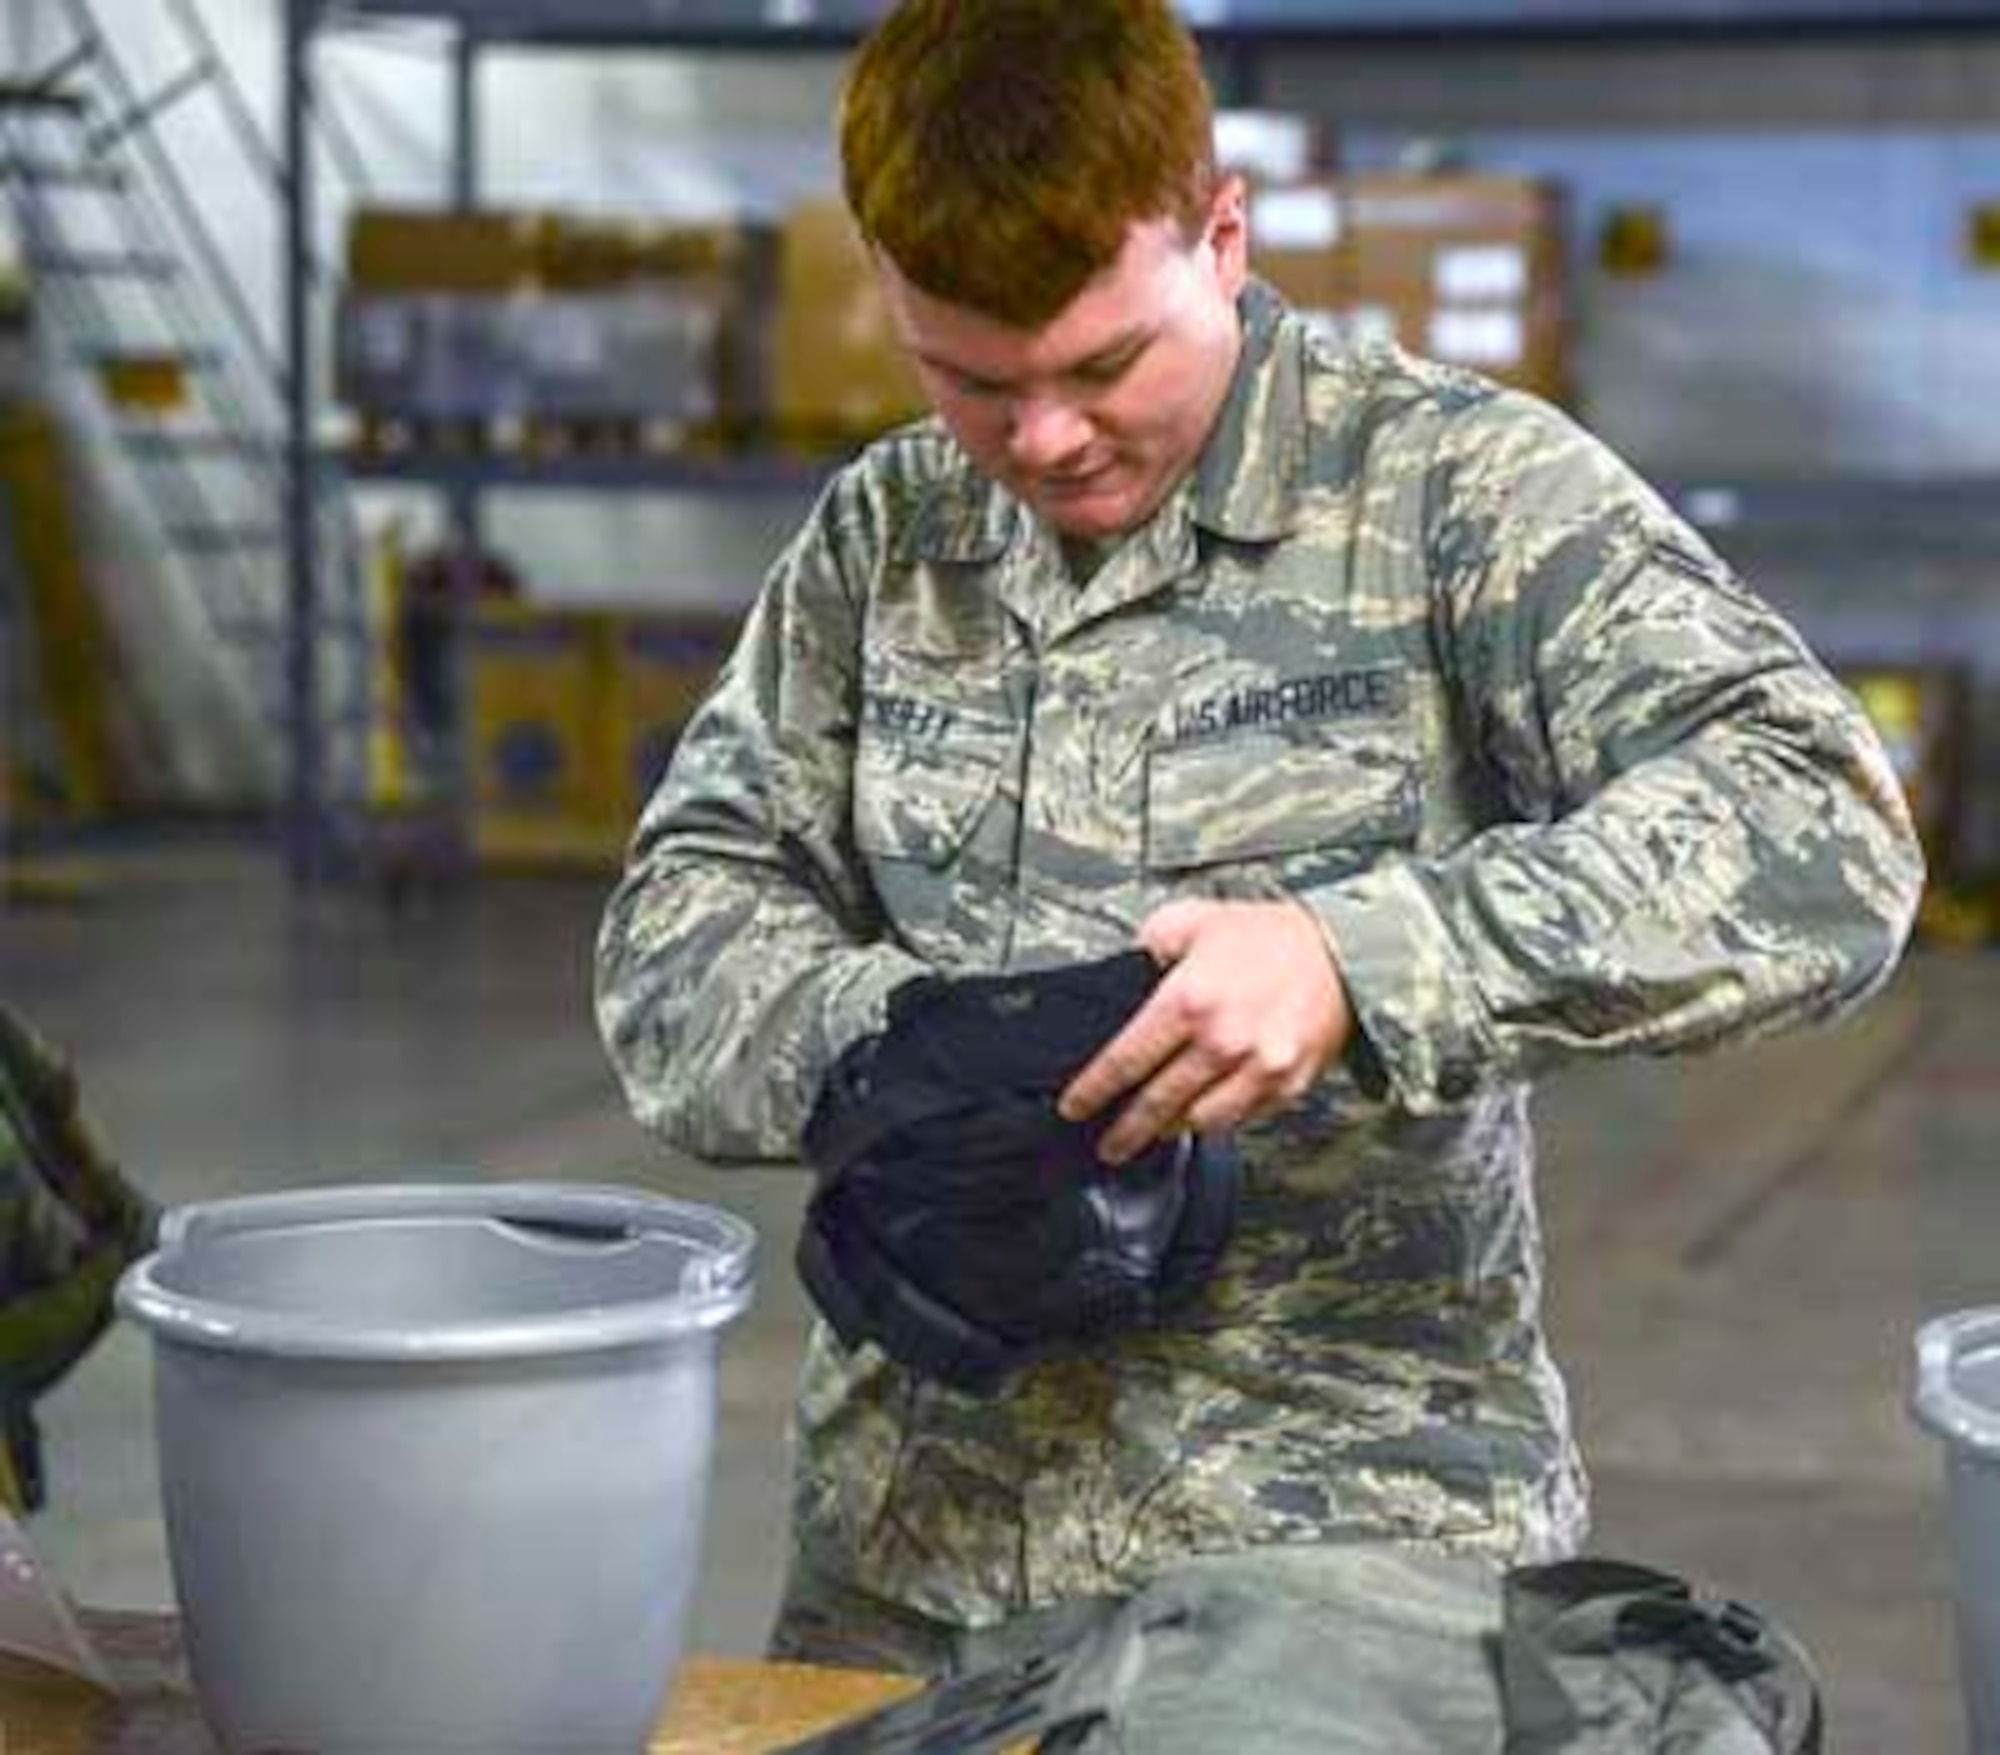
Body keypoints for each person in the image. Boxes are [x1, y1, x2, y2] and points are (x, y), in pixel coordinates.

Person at [596, 0, 1924, 1678]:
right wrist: (897, 1045)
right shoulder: (886, 539)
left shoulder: (1454, 497)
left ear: (1222, 235)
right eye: (972, 381)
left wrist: (1359, 962)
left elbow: (1821, 823)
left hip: (1340, 1583)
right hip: (912, 1568)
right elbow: (680, 924)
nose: (1049, 441)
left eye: (1103, 365)